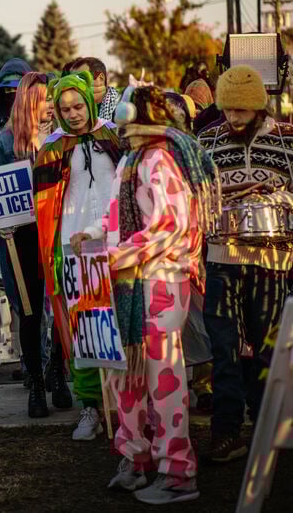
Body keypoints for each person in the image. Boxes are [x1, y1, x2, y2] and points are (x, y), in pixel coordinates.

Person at [74, 85, 218, 503]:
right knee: (127, 376)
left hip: (159, 282)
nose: (122, 131)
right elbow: (115, 212)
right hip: (129, 282)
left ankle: (177, 471)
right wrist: (96, 233)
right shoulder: (134, 160)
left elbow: (170, 227)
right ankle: (136, 457)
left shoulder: (163, 161)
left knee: (164, 378)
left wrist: (118, 254)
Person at [196, 65, 293, 463]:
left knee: (268, 351)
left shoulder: (288, 141)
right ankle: (226, 432)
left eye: (241, 111)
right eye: (228, 109)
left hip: (274, 261)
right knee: (225, 349)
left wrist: (280, 202)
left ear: (258, 107)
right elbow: (196, 196)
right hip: (221, 259)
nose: (233, 118)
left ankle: (267, 427)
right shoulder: (207, 140)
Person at [34, 71, 123, 441]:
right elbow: (44, 204)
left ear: (89, 102)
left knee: (120, 326)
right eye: (65, 108)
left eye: (78, 106)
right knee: (84, 331)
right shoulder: (52, 147)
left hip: (115, 246)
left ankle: (124, 404)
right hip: (72, 248)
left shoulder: (113, 137)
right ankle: (90, 406)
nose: (73, 114)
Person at [0, 72, 61, 418]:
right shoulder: (6, 142)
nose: (49, 105)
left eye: (51, 99)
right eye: (43, 99)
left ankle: (58, 374)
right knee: (31, 312)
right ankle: (36, 382)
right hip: (22, 237)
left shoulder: (63, 138)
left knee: (60, 306)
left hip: (58, 232)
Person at [65, 57, 120, 123]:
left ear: (101, 78)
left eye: (82, 79)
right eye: (73, 81)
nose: (76, 86)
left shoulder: (119, 107)